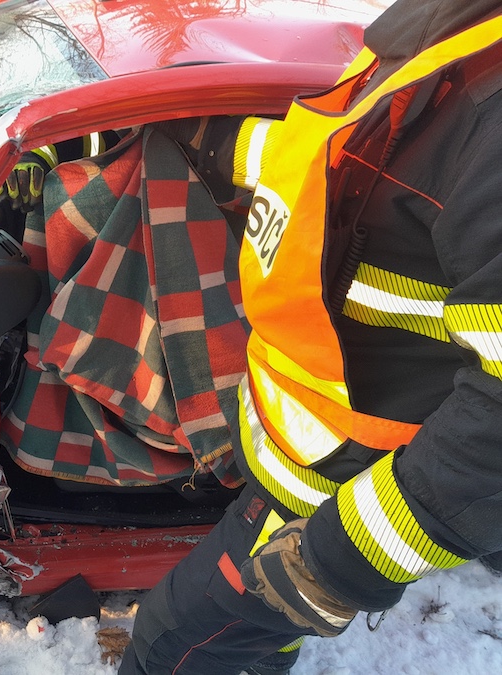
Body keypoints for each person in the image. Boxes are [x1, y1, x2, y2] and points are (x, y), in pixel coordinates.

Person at [120, 1, 502, 673]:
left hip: (344, 491)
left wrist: (335, 561)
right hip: (304, 455)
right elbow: (337, 162)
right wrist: (208, 139)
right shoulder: (446, 32)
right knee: (251, 644)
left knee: (171, 643)